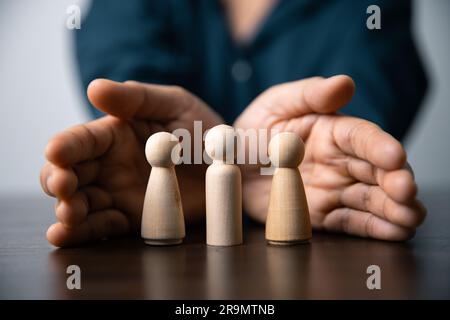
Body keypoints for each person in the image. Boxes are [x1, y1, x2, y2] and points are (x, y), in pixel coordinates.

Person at [40, 0, 427, 247]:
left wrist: (340, 139)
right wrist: (155, 131)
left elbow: (376, 97)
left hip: (323, 212)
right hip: (157, 195)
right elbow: (123, 75)